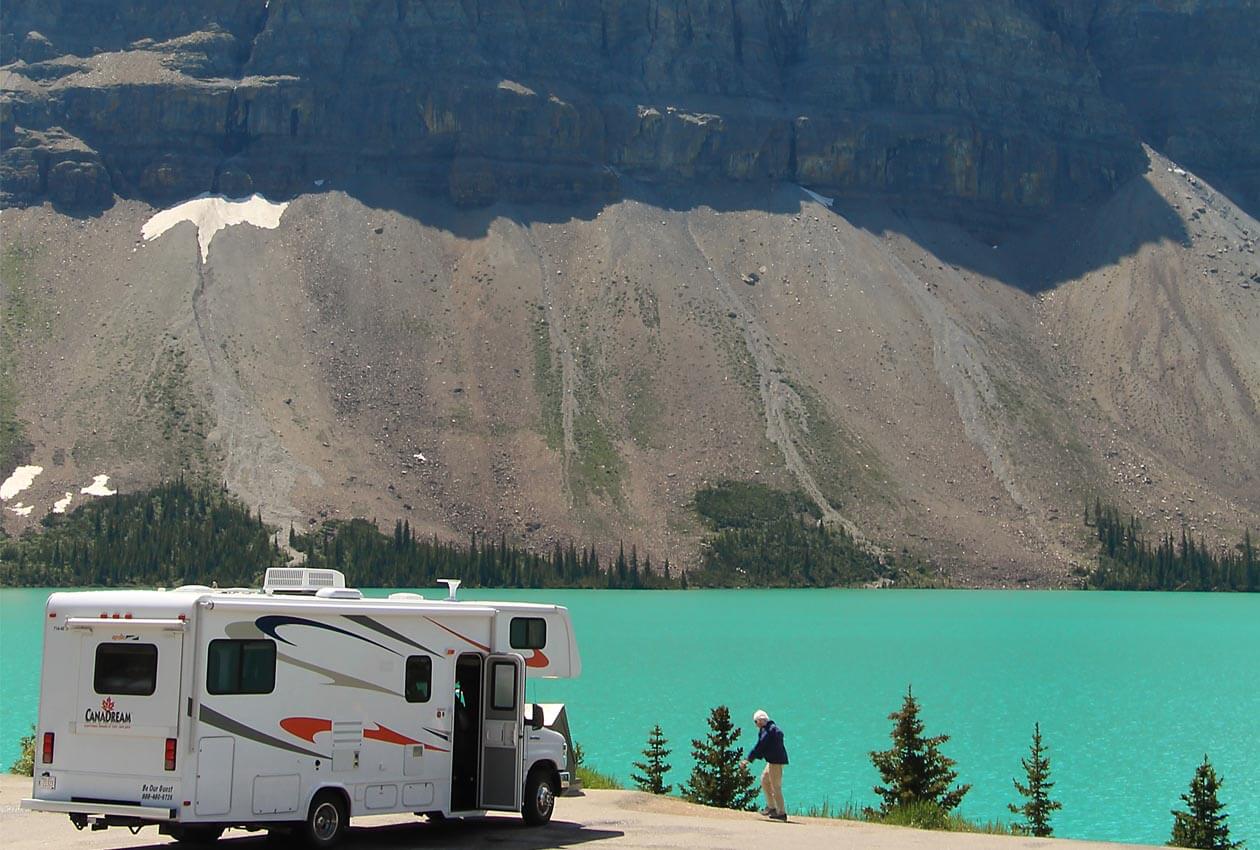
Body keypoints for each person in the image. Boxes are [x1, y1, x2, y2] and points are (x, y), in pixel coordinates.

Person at [742, 709, 789, 821]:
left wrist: (748, 759)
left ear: (761, 720)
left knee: (776, 786)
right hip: (772, 761)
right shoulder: (769, 729)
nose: (756, 725)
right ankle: (771, 807)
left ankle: (781, 812)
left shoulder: (769, 731)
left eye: (756, 721)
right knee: (764, 780)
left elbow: (760, 746)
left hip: (775, 762)